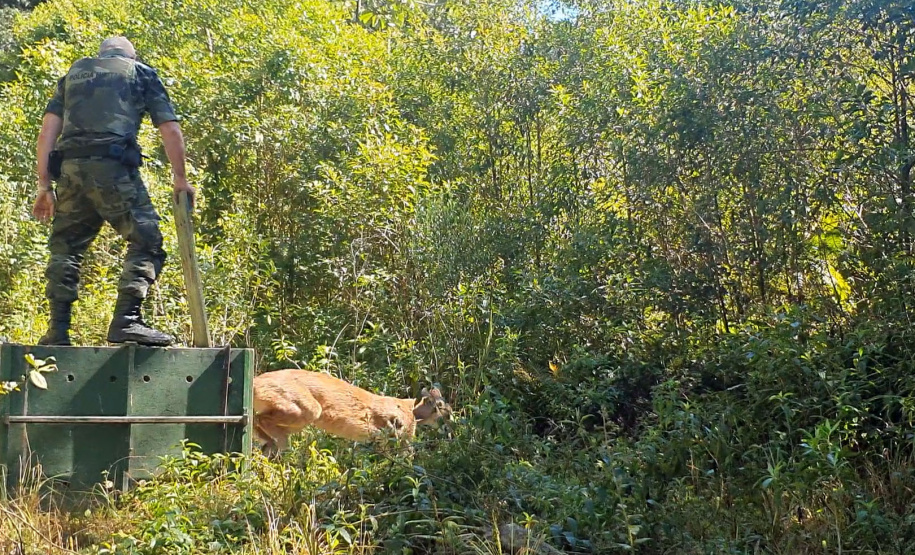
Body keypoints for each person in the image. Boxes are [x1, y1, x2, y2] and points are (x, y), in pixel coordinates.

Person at [32, 36, 195, 347]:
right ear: (129, 56)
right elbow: (170, 128)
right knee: (147, 239)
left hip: (70, 172)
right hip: (113, 168)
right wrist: (180, 178)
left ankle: (58, 331)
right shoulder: (140, 73)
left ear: (101, 55)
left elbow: (46, 132)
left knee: (66, 248)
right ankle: (127, 320)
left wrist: (44, 185)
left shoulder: (72, 76)